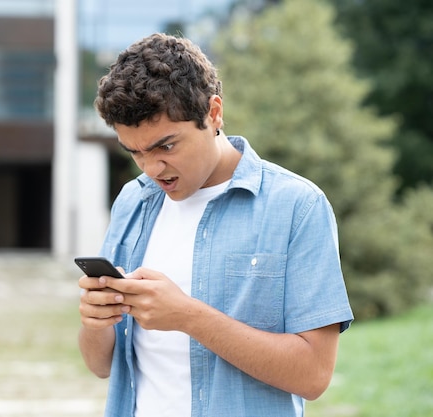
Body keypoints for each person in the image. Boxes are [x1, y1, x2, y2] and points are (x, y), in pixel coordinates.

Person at [77, 33, 353, 417]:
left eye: (166, 146)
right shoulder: (132, 201)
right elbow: (101, 365)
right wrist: (95, 321)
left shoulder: (297, 207)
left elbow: (313, 375)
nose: (152, 168)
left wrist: (188, 316)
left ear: (214, 113)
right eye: (135, 152)